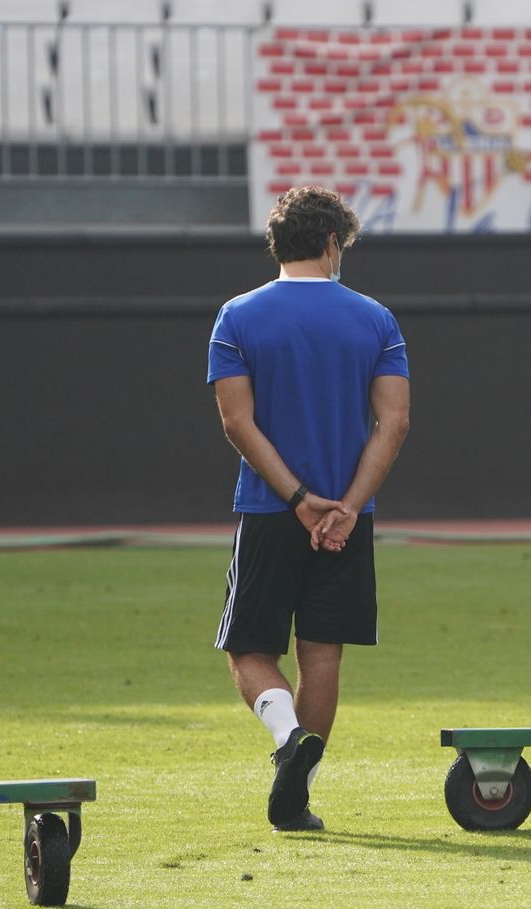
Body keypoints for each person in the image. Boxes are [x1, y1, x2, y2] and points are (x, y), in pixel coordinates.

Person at [207, 186, 412, 832]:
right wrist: (347, 506)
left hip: (271, 511)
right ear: (331, 245)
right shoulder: (376, 319)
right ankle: (295, 797)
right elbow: (394, 422)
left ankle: (287, 739)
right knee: (321, 654)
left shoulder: (237, 317)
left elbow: (237, 423)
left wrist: (297, 499)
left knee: (248, 650)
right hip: (348, 521)